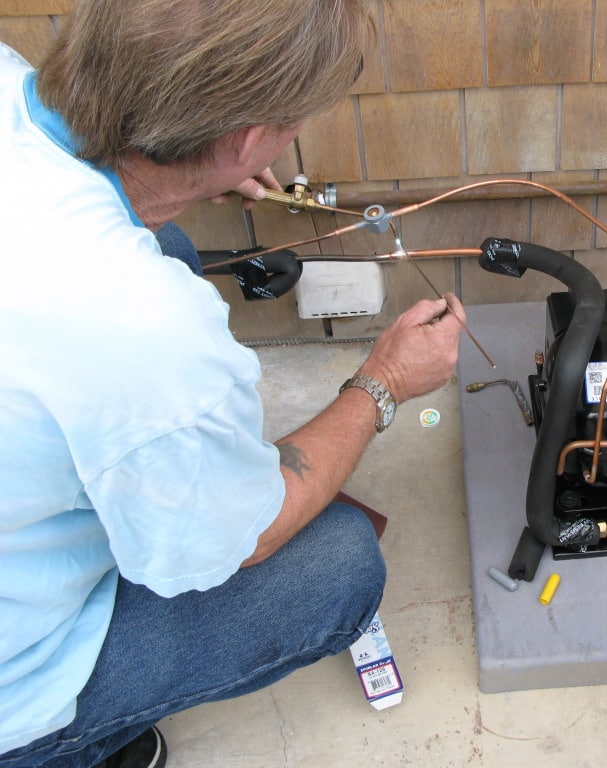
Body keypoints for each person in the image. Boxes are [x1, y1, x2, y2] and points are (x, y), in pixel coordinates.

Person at [0, 1, 466, 766]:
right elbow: (249, 535)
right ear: (247, 138)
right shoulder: (141, 328)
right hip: (12, 678)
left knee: (172, 243)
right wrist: (383, 381)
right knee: (339, 567)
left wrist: (190, 168)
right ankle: (65, 747)